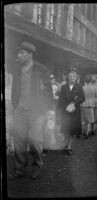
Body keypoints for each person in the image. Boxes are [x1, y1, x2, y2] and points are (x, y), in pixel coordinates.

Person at [8, 41, 52, 180]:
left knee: (34, 140)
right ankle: (19, 169)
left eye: (22, 53)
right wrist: (16, 108)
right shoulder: (17, 69)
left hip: (37, 112)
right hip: (20, 111)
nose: (18, 55)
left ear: (30, 54)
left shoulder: (41, 69)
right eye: (18, 52)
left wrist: (48, 110)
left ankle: (37, 165)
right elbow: (15, 91)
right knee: (19, 141)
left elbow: (48, 91)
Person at [58, 67, 85, 155]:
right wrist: (66, 106)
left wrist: (74, 104)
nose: (72, 77)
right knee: (65, 129)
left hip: (75, 112)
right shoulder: (64, 87)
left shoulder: (79, 87)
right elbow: (61, 99)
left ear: (76, 77)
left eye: (74, 76)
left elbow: (82, 98)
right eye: (71, 76)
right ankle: (66, 143)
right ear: (68, 77)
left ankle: (69, 146)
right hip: (66, 112)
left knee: (72, 129)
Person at [81, 74, 97, 139]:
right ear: (91, 80)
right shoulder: (94, 87)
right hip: (91, 105)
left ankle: (82, 131)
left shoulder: (82, 87)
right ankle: (87, 132)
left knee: (84, 120)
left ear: (85, 81)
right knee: (89, 120)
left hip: (83, 105)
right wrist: (96, 101)